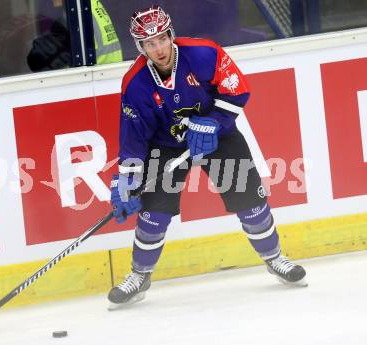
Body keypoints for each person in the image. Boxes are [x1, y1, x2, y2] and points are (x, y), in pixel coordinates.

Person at [108, 5, 307, 309]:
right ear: (140, 46)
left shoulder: (204, 54)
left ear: (170, 34)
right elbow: (134, 138)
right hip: (168, 147)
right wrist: (127, 178)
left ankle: (275, 258)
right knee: (152, 216)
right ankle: (140, 275)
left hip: (219, 135)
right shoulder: (135, 84)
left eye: (162, 38)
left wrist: (215, 121)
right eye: (149, 43)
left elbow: (238, 91)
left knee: (251, 204)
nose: (158, 48)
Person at [27, 0, 122, 72]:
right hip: (110, 73)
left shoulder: (74, 12)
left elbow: (38, 60)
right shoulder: (90, 3)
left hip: (96, 75)